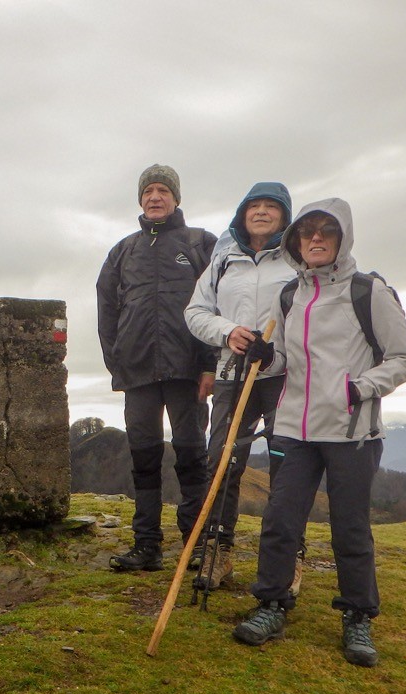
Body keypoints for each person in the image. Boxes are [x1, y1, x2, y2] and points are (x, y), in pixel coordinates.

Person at [231, 198, 406, 667]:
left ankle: (358, 616)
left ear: (342, 238)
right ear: (294, 240)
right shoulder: (290, 295)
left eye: (326, 232)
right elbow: (286, 361)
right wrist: (264, 358)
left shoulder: (368, 291)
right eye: (306, 232)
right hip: (294, 427)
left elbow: (404, 360)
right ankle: (271, 604)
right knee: (280, 520)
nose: (315, 239)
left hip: (352, 431)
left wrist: (359, 388)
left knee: (349, 528)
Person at [97, 164, 218, 572]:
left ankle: (196, 544)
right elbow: (107, 309)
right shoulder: (123, 251)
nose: (155, 197)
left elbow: (218, 306)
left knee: (191, 457)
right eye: (148, 190)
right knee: (144, 460)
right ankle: (146, 545)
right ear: (140, 199)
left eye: (163, 190)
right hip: (138, 374)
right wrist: (117, 362)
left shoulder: (201, 243)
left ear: (176, 198)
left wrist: (210, 365)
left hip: (188, 371)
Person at [184, 182, 299, 591]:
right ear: (242, 213)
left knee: (288, 467)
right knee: (223, 460)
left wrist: (278, 352)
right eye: (255, 205)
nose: (263, 212)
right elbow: (195, 312)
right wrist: (228, 331)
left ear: (286, 216)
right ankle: (219, 552)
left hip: (286, 377)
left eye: (272, 206)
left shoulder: (297, 259)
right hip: (234, 374)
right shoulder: (223, 260)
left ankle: (289, 559)